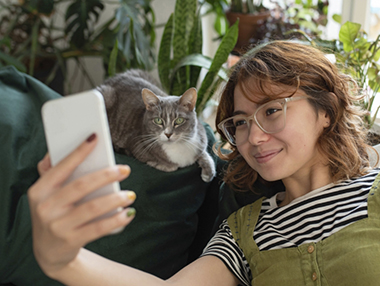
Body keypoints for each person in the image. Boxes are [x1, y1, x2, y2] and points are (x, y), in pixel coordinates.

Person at [28, 40, 380, 285]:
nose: (253, 137)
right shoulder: (244, 230)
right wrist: (62, 259)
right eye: (240, 122)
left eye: (272, 111)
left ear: (327, 111)